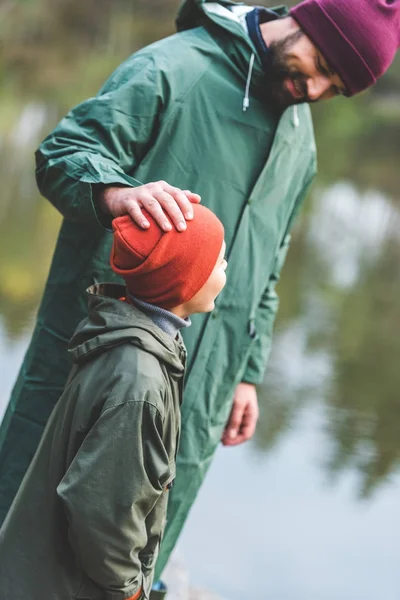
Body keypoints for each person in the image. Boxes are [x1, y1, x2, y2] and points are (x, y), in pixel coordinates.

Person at [0, 0, 399, 583]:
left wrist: (248, 372)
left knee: (138, 554)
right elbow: (62, 155)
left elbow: (271, 260)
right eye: (321, 65)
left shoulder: (300, 138)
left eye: (334, 88)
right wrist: (115, 194)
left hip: (201, 388)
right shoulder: (174, 69)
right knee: (31, 536)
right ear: (306, 20)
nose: (314, 91)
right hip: (96, 369)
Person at [0, 204, 226, 600]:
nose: (225, 263)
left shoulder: (136, 337)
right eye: (217, 259)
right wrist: (129, 590)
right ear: (185, 283)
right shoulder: (138, 381)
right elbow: (101, 514)